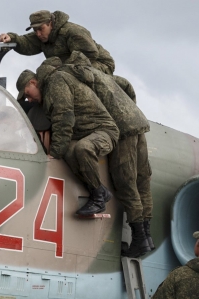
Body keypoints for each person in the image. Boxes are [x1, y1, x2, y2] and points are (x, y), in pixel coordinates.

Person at [53, 53, 153, 257]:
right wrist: (130, 109)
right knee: (142, 180)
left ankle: (139, 239)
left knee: (126, 182)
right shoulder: (105, 76)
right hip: (138, 123)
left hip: (123, 130)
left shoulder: (79, 81)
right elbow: (128, 87)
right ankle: (147, 236)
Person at [17, 62, 119, 216]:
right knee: (69, 153)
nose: (29, 100)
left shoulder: (56, 82)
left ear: (33, 82)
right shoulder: (48, 91)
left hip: (103, 130)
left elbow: (64, 119)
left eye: (27, 94)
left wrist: (55, 152)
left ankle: (98, 198)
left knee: (83, 148)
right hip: (82, 133)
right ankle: (100, 191)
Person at [0, 10, 116, 74]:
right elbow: (26, 42)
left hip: (100, 63)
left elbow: (88, 55)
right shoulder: (44, 35)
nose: (38, 33)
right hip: (72, 66)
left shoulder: (73, 32)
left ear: (50, 24)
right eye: (35, 30)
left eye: (40, 29)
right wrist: (11, 38)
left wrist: (59, 69)